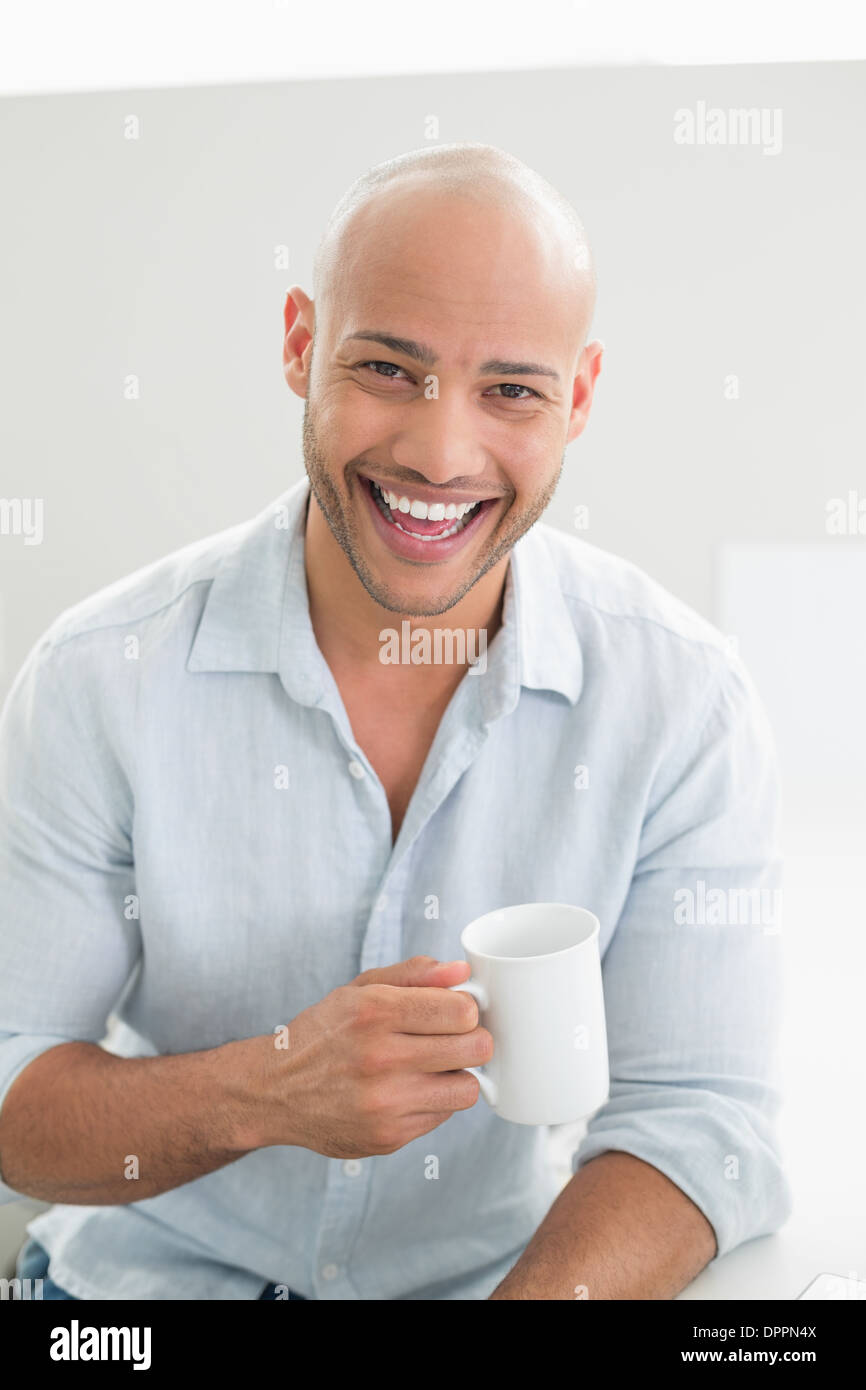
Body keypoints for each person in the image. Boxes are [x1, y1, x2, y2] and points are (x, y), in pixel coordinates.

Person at [0, 142, 791, 1300]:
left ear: (576, 396)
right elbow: (12, 1099)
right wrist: (262, 1088)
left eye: (510, 390)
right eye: (386, 368)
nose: (438, 451)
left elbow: (699, 1121)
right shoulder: (99, 676)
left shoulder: (681, 704)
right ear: (297, 345)